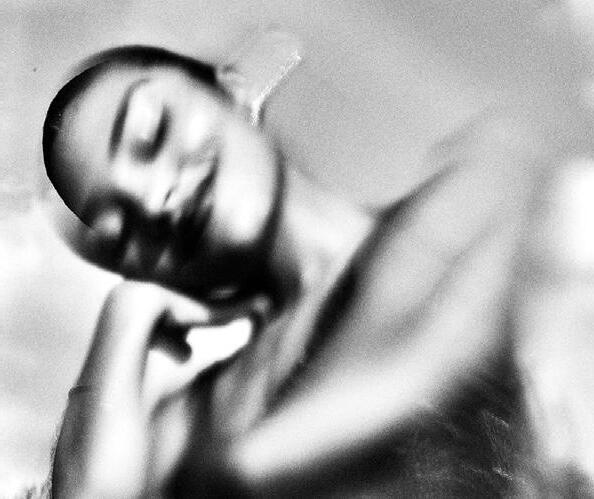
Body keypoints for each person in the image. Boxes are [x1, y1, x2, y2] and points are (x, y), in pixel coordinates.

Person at [43, 45, 542, 496]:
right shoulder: (192, 422)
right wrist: (126, 313)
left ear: (233, 92)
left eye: (152, 134)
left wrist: (235, 470)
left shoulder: (468, 205)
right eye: (121, 229)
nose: (155, 200)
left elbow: (418, 376)